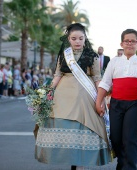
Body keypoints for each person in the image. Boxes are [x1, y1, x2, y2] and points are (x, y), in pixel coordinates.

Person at [35, 23, 111, 170]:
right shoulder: (64, 55)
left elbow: (96, 78)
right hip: (63, 97)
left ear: (85, 39)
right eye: (74, 38)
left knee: (83, 129)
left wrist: (101, 99)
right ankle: (73, 163)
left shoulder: (92, 55)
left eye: (80, 38)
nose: (77, 41)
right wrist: (46, 93)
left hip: (84, 97)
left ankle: (80, 165)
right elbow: (57, 75)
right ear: (68, 39)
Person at [96, 29, 137, 170]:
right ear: (121, 43)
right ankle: (122, 163)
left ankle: (129, 167)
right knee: (115, 139)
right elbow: (105, 83)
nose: (129, 43)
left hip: (135, 105)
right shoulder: (114, 62)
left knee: (130, 139)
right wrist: (98, 102)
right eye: (126, 41)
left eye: (133, 41)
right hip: (116, 104)